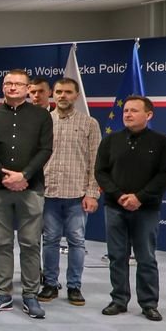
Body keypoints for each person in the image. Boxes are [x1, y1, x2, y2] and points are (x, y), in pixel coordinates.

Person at [0, 68, 53, 319]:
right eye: (8, 83)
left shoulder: (42, 115)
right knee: (2, 242)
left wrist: (24, 175)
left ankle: (30, 295)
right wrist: (3, 175)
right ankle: (3, 293)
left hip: (31, 187)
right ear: (3, 87)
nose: (12, 87)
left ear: (27, 88)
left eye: (18, 84)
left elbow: (45, 149)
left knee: (30, 243)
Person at [95, 96, 166, 322]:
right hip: (115, 206)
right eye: (126, 111)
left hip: (146, 208)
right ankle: (119, 300)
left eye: (134, 111)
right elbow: (101, 171)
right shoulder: (111, 140)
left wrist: (140, 197)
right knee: (117, 256)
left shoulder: (163, 142)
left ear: (148, 115)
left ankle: (149, 304)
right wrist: (119, 195)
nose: (128, 114)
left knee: (146, 257)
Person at [38, 77, 101, 307]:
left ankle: (74, 286)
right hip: (48, 193)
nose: (63, 96)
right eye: (59, 92)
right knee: (50, 240)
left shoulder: (89, 123)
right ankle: (50, 283)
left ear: (76, 95)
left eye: (67, 92)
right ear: (53, 95)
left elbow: (96, 161)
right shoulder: (43, 122)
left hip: (77, 194)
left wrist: (92, 193)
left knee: (76, 241)